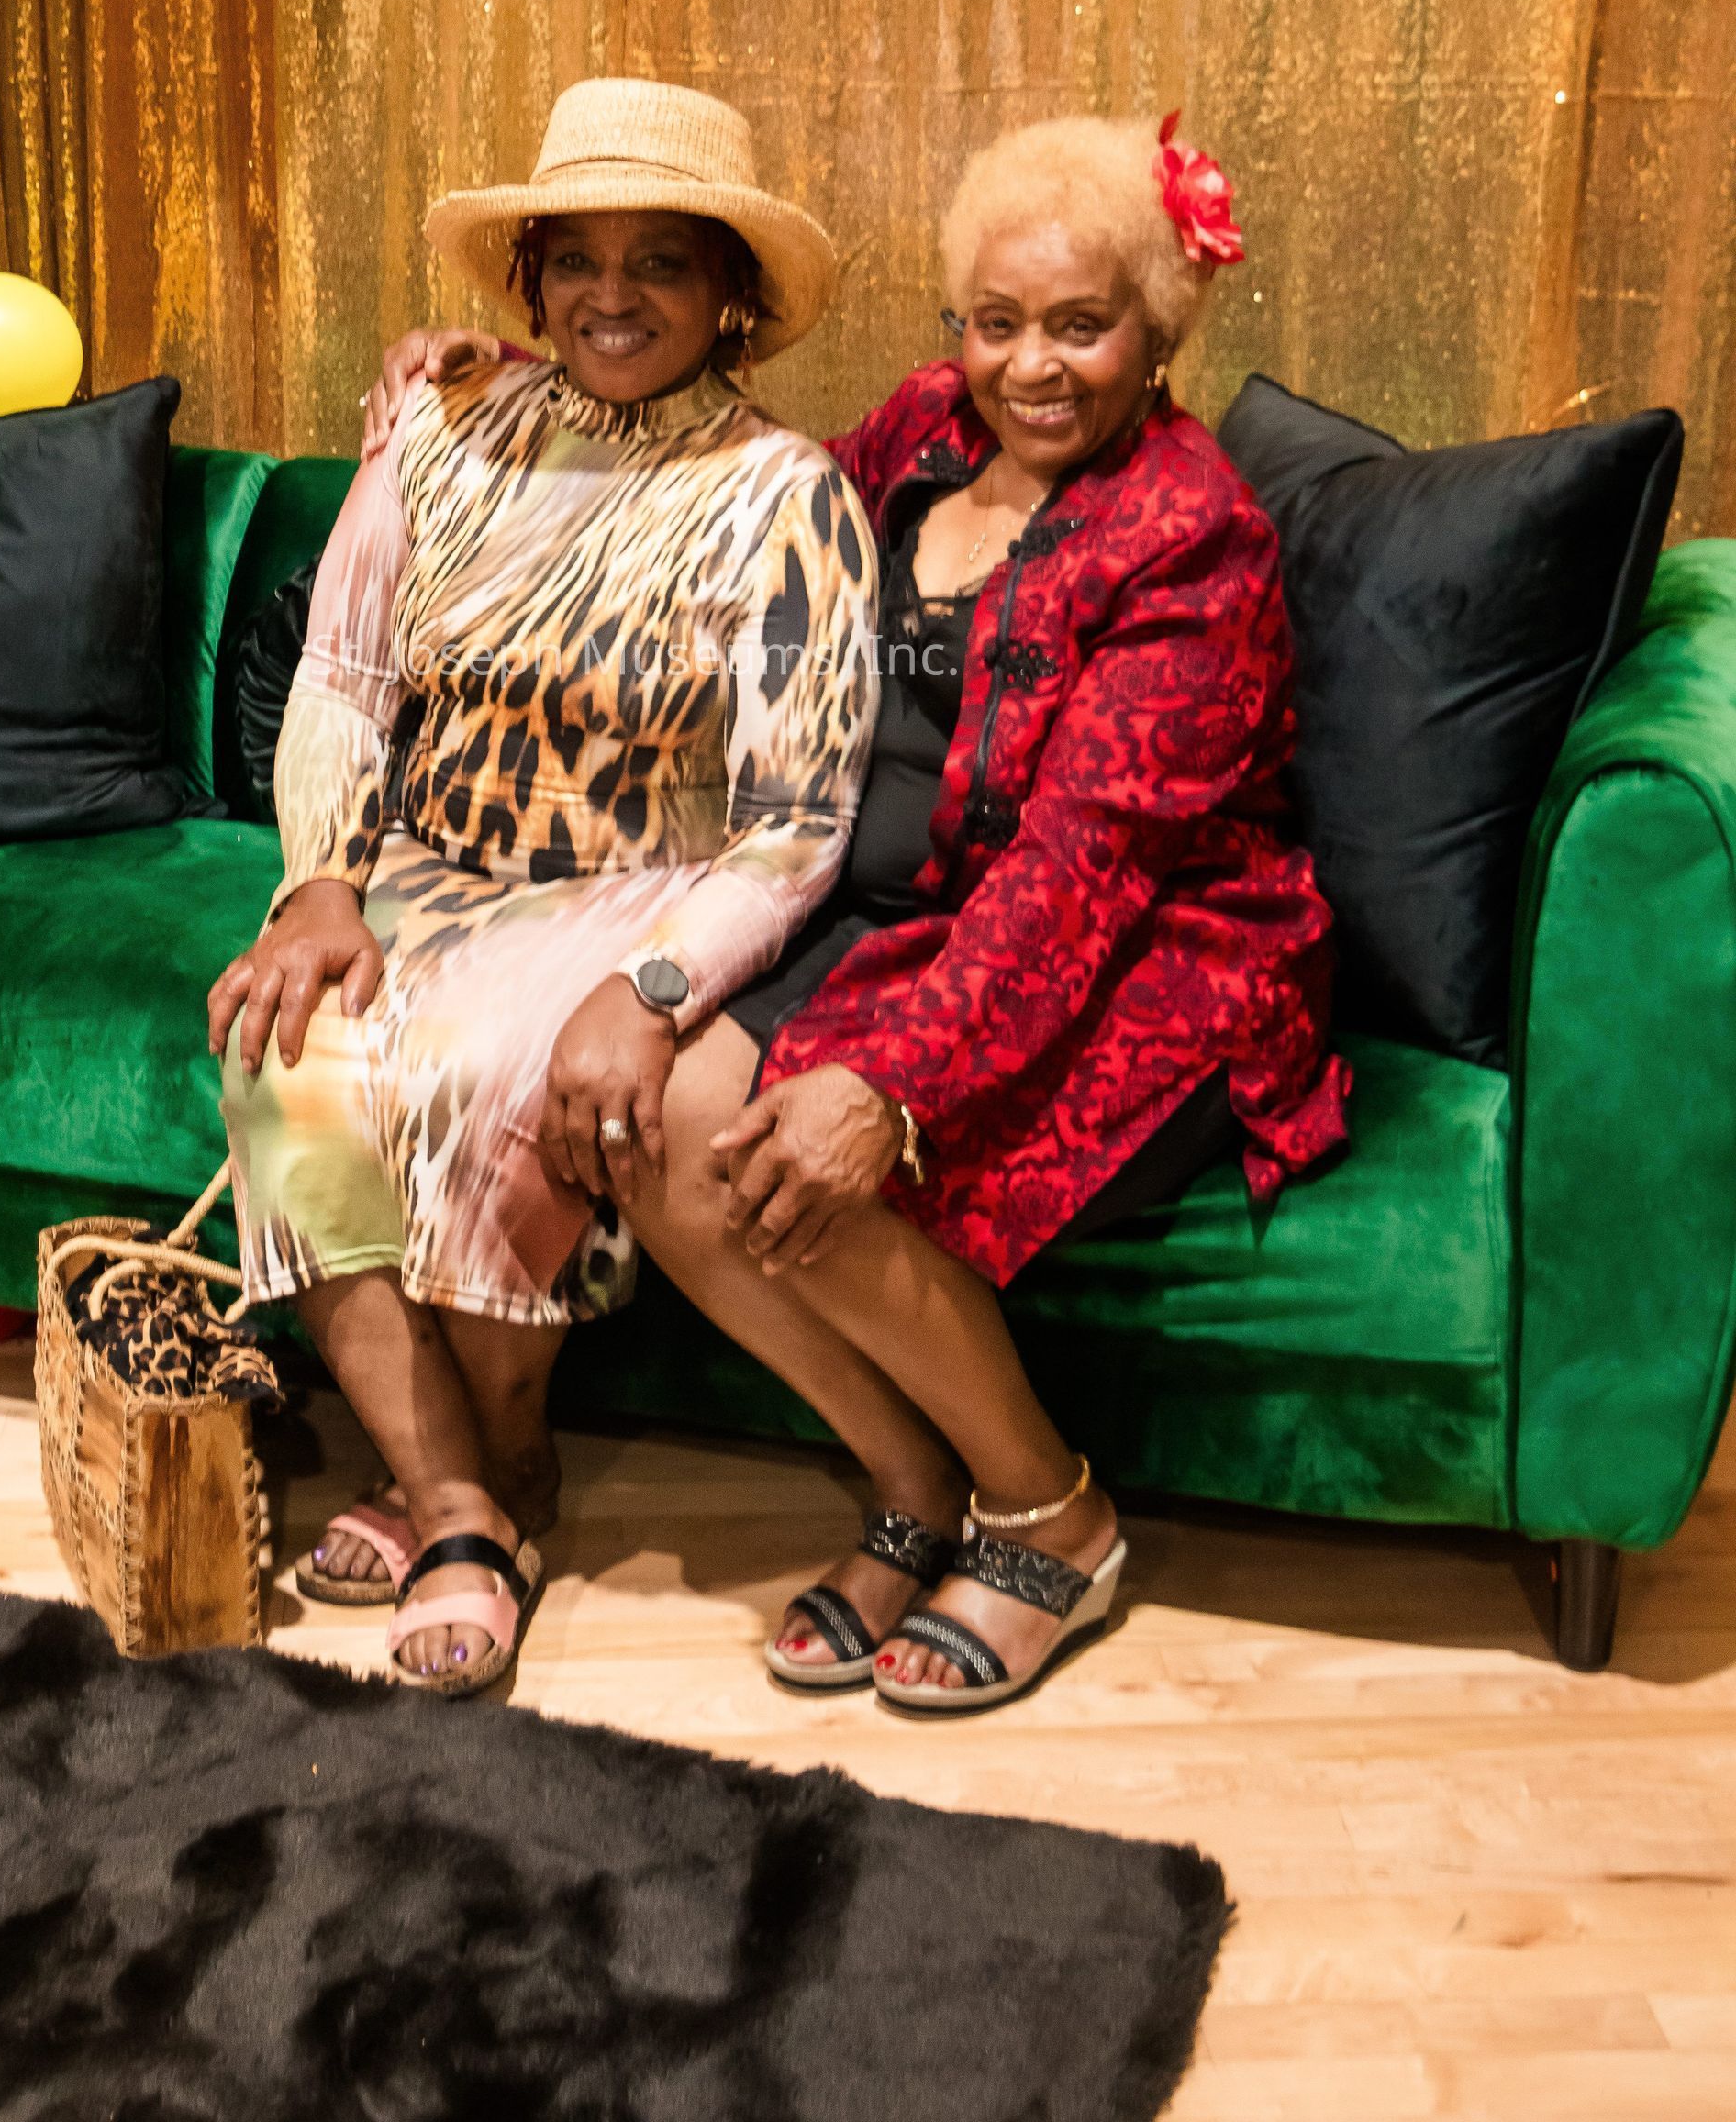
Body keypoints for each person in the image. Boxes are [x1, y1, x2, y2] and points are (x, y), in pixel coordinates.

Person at [363, 111, 1347, 1716]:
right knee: (665, 1106)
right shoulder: (920, 435)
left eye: (1081, 326)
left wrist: (885, 1089)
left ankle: (1052, 1515)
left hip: (1149, 958)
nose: (1032, 366)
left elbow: (1077, 877)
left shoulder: (1193, 538)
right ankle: (912, 1485)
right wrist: (517, 384)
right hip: (909, 920)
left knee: (796, 1142)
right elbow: (724, 488)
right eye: (997, 322)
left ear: (1158, 329)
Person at [212, 78, 877, 1698]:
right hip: (422, 870)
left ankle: (500, 1471)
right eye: (576, 259)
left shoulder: (786, 494)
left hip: (640, 887)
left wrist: (651, 986)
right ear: (529, 282)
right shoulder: (442, 431)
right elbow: (346, 678)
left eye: (660, 261)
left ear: (729, 295)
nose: (610, 295)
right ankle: (461, 1497)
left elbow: (798, 821)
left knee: (483, 1072)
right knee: (281, 1058)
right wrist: (320, 885)